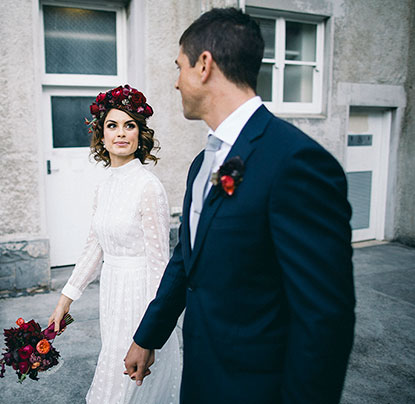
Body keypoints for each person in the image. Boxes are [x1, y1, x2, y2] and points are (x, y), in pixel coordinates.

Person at [124, 8, 356, 404]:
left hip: (256, 388)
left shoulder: (296, 163)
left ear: (204, 65)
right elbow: (187, 259)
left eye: (179, 67)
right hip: (201, 378)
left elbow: (323, 318)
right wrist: (148, 336)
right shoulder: (203, 164)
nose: (175, 82)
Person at [48, 85, 181, 404]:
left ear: (139, 134)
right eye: (112, 125)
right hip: (112, 292)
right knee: (113, 367)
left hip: (140, 296)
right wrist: (66, 299)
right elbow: (94, 248)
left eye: (129, 125)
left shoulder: (149, 188)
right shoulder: (104, 186)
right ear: (102, 135)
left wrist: (150, 333)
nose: (121, 133)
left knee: (125, 387)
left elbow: (159, 267)